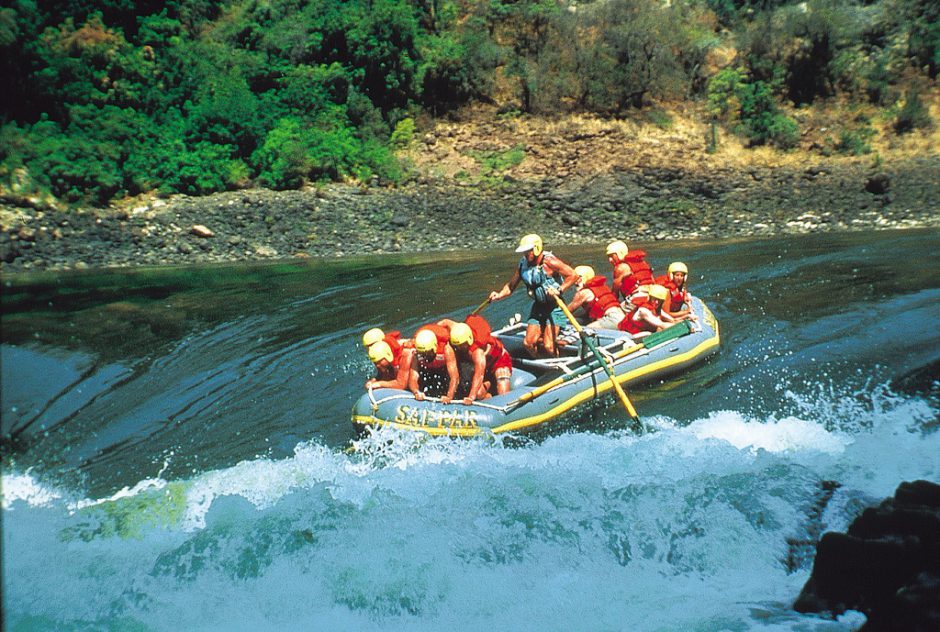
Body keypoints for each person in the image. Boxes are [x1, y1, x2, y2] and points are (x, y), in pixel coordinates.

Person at [488, 234, 579, 358]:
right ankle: (540, 361)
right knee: (528, 343)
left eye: (528, 251)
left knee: (549, 346)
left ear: (536, 248)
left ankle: (556, 361)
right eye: (524, 251)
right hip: (538, 307)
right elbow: (510, 286)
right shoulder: (522, 264)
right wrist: (499, 295)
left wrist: (559, 289)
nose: (525, 254)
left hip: (555, 307)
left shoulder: (550, 261)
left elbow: (573, 275)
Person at [443, 315, 513, 405]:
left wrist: (471, 397)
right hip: (485, 367)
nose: (460, 348)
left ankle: (493, 385)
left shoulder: (477, 352)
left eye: (462, 345)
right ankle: (489, 389)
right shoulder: (457, 329)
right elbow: (444, 322)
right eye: (457, 346)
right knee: (479, 394)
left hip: (499, 362)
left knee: (503, 395)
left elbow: (479, 375)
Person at [406, 324, 460, 403]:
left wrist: (449, 396)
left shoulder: (447, 350)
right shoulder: (416, 354)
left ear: (435, 347)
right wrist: (416, 392)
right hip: (428, 370)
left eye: (428, 352)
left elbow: (454, 377)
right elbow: (413, 377)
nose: (425, 356)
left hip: (444, 370)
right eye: (423, 353)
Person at [566, 265, 627, 330]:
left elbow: (567, 311)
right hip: (623, 318)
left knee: (587, 330)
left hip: (613, 319)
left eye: (578, 278)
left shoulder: (583, 293)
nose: (575, 281)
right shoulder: (603, 287)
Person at [617, 284, 686, 337]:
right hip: (627, 335)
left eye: (659, 300)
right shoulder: (643, 311)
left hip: (640, 334)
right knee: (654, 331)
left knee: (657, 330)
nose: (656, 302)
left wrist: (687, 319)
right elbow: (662, 324)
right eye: (654, 299)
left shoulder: (658, 310)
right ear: (650, 298)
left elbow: (673, 320)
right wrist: (682, 327)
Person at [606, 240, 656, 306]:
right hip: (652, 297)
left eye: (612, 256)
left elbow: (615, 293)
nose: (610, 260)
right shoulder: (643, 263)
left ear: (619, 253)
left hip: (638, 297)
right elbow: (653, 281)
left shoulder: (620, 268)